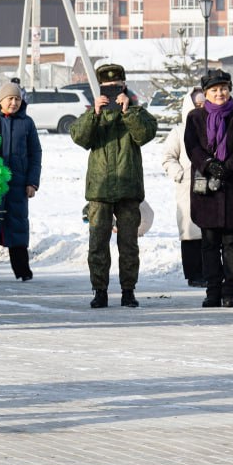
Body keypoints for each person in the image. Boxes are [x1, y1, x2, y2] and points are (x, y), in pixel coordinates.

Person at [69, 63, 158, 309]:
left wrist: (128, 111)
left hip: (128, 190)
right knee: (97, 243)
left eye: (115, 87)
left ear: (124, 86)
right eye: (106, 88)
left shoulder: (137, 112)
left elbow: (145, 135)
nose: (111, 92)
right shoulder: (93, 114)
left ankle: (128, 290)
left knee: (128, 244)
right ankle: (100, 291)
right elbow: (78, 137)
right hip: (100, 190)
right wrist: (94, 114)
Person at [184, 69, 233, 308]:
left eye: (223, 88)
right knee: (210, 243)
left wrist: (229, 166)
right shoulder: (195, 117)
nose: (219, 93)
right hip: (207, 189)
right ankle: (212, 290)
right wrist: (209, 164)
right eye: (214, 90)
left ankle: (229, 291)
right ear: (205, 94)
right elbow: (191, 146)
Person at [0, 83, 42, 282]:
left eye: (17, 99)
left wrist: (32, 182)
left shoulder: (27, 123)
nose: (14, 103)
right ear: (0, 101)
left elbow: (35, 154)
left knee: (17, 226)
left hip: (18, 184)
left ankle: (22, 270)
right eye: (10, 99)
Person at [162, 89, 206, 287]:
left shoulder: (213, 126)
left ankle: (211, 271)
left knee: (209, 230)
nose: (201, 108)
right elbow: (168, 157)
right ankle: (193, 273)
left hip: (209, 183)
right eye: (197, 105)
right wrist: (179, 173)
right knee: (190, 230)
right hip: (187, 184)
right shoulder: (179, 131)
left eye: (204, 104)